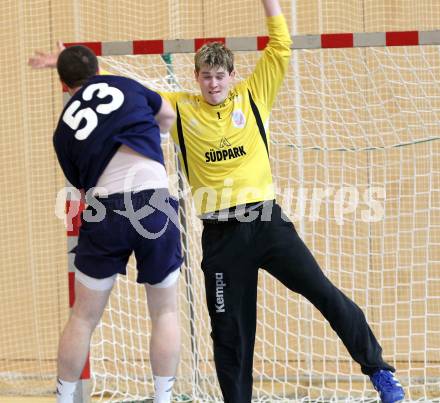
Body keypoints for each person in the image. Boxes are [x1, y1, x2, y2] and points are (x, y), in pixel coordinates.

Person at [30, 1, 405, 401]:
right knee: (229, 334)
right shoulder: (180, 109)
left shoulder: (253, 95)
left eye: (219, 76)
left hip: (268, 225)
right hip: (221, 236)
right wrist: (77, 69)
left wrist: (270, 4)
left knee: (326, 295)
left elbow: (280, 45)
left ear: (232, 76)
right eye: (206, 77)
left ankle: (380, 373)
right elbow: (123, 93)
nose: (213, 84)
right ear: (196, 77)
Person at [29, 45, 183, 403]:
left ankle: (65, 398)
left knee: (82, 317)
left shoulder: (62, 131)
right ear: (98, 70)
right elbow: (168, 115)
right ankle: (163, 398)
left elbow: (81, 187)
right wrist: (153, 142)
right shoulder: (125, 85)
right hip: (153, 199)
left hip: (105, 208)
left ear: (62, 85)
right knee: (164, 311)